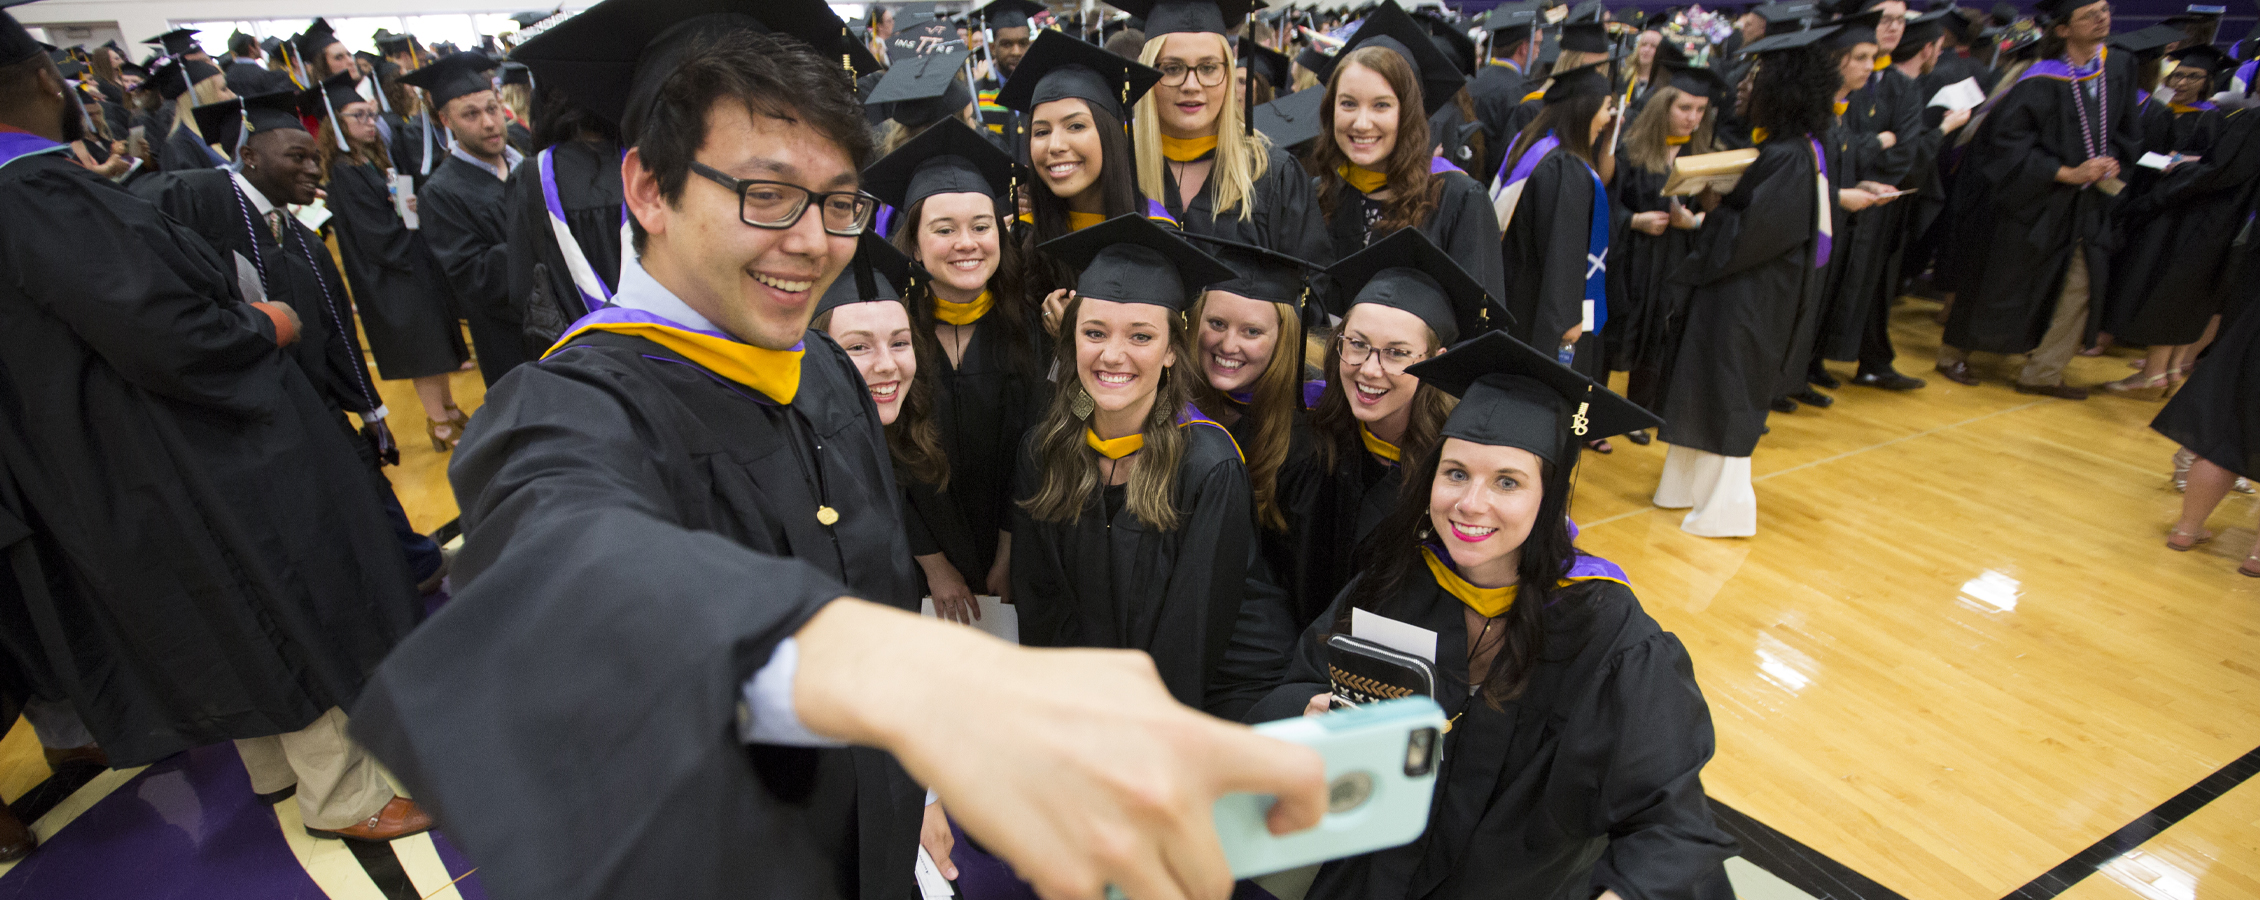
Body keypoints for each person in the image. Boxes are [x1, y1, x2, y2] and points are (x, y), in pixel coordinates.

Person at [350, 8, 1330, 900]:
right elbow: (563, 559)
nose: (812, 242)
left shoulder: (821, 372)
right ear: (647, 186)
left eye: (838, 202)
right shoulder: (572, 405)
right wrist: (906, 681)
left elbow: (872, 585)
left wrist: (906, 785)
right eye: (767, 193)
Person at [0, 23, 436, 845]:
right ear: (37, 78)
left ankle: (274, 768)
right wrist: (262, 325)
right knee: (277, 581)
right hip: (178, 445)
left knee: (217, 601)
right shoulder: (36, 193)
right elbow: (166, 333)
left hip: (105, 460)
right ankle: (343, 793)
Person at [1251, 329, 1736, 900]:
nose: (1471, 503)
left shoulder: (1605, 629)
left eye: (1507, 481)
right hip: (1372, 878)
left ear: (1548, 496)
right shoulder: (1395, 580)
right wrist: (1307, 714)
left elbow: (1671, 820)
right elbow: (1297, 683)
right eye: (1456, 473)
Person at [134, 90, 451, 594]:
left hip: (312, 401)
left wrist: (371, 412)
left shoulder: (302, 238)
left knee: (359, 480)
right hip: (239, 410)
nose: (312, 169)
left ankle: (413, 571)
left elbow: (338, 336)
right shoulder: (202, 198)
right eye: (296, 157)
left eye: (313, 157)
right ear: (251, 156)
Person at [1011, 213, 1286, 719]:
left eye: (1140, 337)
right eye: (1094, 332)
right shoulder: (1043, 452)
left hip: (1211, 701)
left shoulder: (1207, 467)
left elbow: (1191, 635)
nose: (1112, 355)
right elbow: (1043, 608)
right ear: (1072, 342)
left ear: (1170, 354)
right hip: (1099, 697)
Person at [1653, 25, 1847, 538]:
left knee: (1728, 392)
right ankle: (1682, 488)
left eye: (1758, 76)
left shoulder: (1790, 157)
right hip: (1737, 294)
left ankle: (1725, 510)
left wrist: (1714, 207)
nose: (1744, 85)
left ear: (1785, 89)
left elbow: (1749, 238)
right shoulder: (1789, 148)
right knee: (1704, 382)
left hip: (1752, 299)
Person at [1280, 229, 1510, 631]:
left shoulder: (1456, 472)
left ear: (1435, 361)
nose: (1370, 369)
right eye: (1357, 344)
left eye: (1397, 353)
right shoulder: (1308, 442)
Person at [1935, 0, 2137, 397]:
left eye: (2104, 9)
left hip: (2086, 201)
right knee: (2001, 278)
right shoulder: (2039, 78)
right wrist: (2065, 173)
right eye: (2089, 14)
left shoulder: (2117, 66)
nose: (2102, 18)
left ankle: (2043, 372)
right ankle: (1954, 352)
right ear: (2063, 30)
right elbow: (2004, 145)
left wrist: (2114, 161)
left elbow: (2127, 129)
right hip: (2031, 200)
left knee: (2079, 284)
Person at [309, 71, 474, 449]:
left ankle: (448, 410)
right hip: (391, 277)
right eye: (359, 116)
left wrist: (408, 209)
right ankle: (440, 423)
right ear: (335, 123)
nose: (371, 123)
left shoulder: (367, 160)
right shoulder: (344, 172)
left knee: (435, 344)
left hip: (409, 267)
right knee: (422, 352)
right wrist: (413, 224)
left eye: (371, 114)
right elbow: (376, 236)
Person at [1311, 3, 1506, 303]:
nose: (1361, 123)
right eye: (1348, 103)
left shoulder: (1458, 200)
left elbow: (1480, 326)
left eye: (1381, 105)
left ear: (1410, 114)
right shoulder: (1321, 195)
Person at [1126, 0, 1333, 270]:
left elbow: (1310, 285)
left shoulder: (1274, 176)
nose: (1192, 85)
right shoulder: (1121, 169)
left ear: (1228, 73)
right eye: (1172, 69)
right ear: (1149, 73)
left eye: (1208, 67)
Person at [994, 30, 1174, 324]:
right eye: (1041, 131)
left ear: (1112, 135)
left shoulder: (1155, 233)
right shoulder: (1019, 240)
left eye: (1075, 126)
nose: (1055, 146)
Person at [1804, 0, 1929, 399]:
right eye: (1882, 18)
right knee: (1820, 284)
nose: (1892, 27)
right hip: (1832, 198)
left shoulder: (1900, 86)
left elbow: (1904, 150)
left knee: (1858, 287)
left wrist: (1867, 169)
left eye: (1899, 20)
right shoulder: (1828, 91)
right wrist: (1876, 140)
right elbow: (1837, 147)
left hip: (1872, 205)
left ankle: (1824, 360)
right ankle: (1804, 364)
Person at [2099, 43, 2235, 398]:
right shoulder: (2158, 108)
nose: (2183, 82)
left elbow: (2211, 164)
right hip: (2148, 198)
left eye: (2194, 76)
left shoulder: (2210, 116)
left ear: (2208, 82)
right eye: (2178, 74)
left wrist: (2184, 162)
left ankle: (2158, 369)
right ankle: (2163, 367)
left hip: (2174, 211)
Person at [409, 51, 535, 387]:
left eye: (492, 108)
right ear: (446, 121)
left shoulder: (528, 161)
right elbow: (474, 277)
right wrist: (543, 239)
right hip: (513, 343)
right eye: (471, 115)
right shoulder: (440, 194)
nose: (489, 123)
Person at [1494, 59, 1618, 392]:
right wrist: (1568, 324)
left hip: (1519, 304)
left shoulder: (1533, 146)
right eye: (1607, 107)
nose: (1609, 119)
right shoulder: (1564, 169)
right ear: (1585, 107)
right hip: (1546, 323)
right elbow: (1563, 259)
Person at [1612, 63, 1726, 417]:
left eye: (1700, 110)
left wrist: (1693, 221)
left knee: (1660, 334)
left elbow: (1724, 217)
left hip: (1675, 258)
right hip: (1631, 257)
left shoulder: (1707, 156)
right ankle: (1597, 417)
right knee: (1616, 332)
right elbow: (1606, 201)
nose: (1693, 118)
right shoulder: (1630, 149)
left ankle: (1637, 414)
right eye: (1684, 108)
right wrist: (1633, 220)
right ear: (1664, 106)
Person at [505, 80, 626, 351]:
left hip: (574, 352)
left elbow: (522, 288)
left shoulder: (529, 178)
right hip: (660, 346)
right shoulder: (650, 167)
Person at [1471, 3, 1541, 187]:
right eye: (1537, 44)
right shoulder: (1523, 93)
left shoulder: (1470, 81)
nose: (1538, 51)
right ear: (1523, 48)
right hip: (1498, 190)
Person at [147, 55, 231, 171]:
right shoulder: (178, 148)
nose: (232, 95)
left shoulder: (220, 130)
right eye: (223, 89)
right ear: (201, 96)